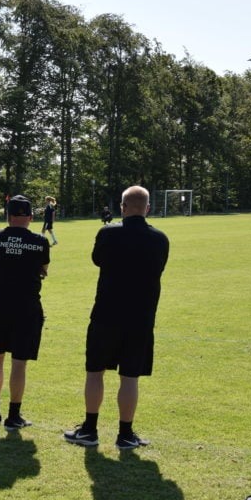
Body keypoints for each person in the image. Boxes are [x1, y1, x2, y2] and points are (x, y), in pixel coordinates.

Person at [64, 185, 169, 450]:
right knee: (130, 377)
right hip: (140, 318)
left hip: (106, 314)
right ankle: (125, 434)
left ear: (122, 208)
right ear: (147, 209)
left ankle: (89, 430)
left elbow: (97, 260)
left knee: (95, 372)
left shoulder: (107, 233)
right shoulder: (160, 239)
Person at [0, 195, 50, 430]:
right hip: (27, 308)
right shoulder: (40, 241)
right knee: (19, 364)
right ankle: (14, 416)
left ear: (8, 216)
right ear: (30, 217)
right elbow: (44, 269)